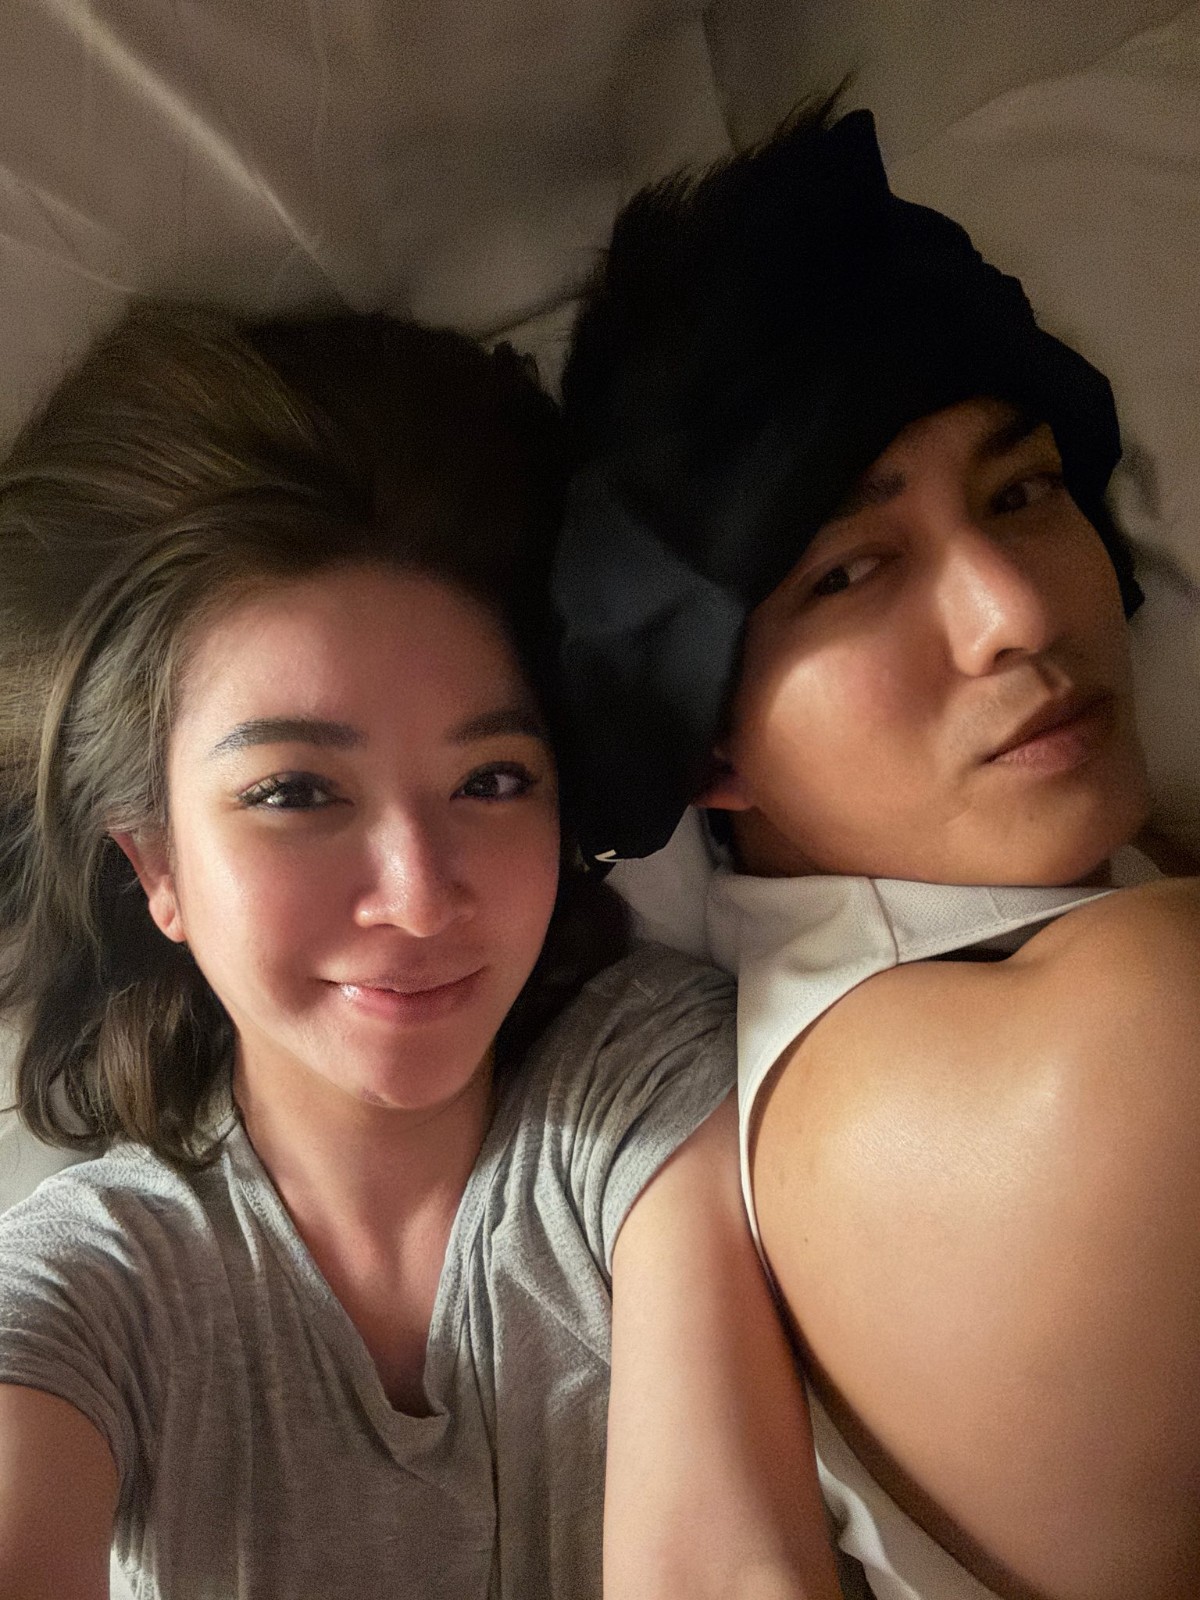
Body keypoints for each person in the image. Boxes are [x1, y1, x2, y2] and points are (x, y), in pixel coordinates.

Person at [0, 305, 842, 1600]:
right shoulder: (97, 1282)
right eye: (295, 793)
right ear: (156, 865)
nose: (418, 896)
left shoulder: (647, 1090)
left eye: (492, 779)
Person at [550, 102, 1200, 1600]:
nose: (1015, 613)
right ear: (710, 751)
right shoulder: (1100, 1037)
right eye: (851, 572)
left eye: (1022, 494)